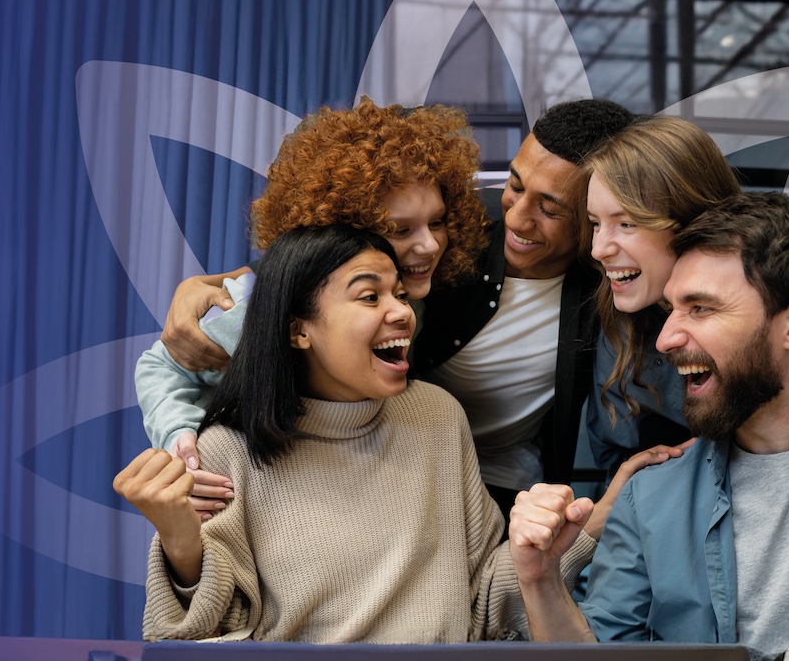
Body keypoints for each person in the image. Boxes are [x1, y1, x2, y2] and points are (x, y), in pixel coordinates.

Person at [116, 225, 612, 643]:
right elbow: (204, 644)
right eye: (370, 296)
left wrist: (567, 537)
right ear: (298, 330)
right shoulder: (227, 450)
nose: (401, 311)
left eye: (399, 293)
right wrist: (180, 543)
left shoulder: (437, 417)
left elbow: (482, 601)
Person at [150, 97, 637, 511]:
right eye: (512, 186)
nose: (428, 245)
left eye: (551, 208)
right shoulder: (313, 297)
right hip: (317, 478)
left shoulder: (607, 284)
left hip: (481, 487)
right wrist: (183, 441)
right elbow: (169, 363)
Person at [511, 193, 789, 661]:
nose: (668, 337)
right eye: (673, 309)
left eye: (701, 308)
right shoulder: (647, 499)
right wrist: (541, 579)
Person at [136, 98, 488, 517]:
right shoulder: (263, 305)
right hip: (246, 499)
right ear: (342, 227)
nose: (429, 245)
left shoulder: (420, 286)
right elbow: (159, 367)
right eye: (400, 229)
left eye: (437, 222)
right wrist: (184, 444)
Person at [580, 116, 741, 472]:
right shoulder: (621, 321)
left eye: (626, 223)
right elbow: (614, 460)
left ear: (692, 221)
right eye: (595, 223)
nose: (598, 249)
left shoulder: (768, 317)